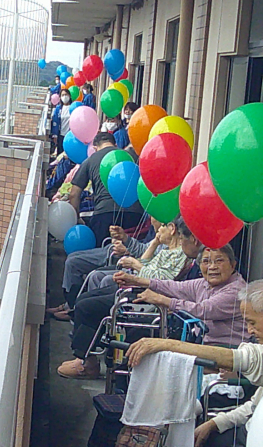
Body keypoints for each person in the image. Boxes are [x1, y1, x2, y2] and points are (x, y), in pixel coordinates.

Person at [57, 244, 245, 379]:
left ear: (233, 264)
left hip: (216, 350)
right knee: (119, 324)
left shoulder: (235, 290)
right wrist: (136, 280)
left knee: (136, 335)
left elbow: (203, 310)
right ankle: (94, 364)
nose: (212, 267)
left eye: (219, 261)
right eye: (206, 261)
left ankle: (119, 383)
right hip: (194, 339)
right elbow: (175, 286)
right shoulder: (205, 283)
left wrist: (161, 300)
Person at [125, 280, 263, 447]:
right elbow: (254, 405)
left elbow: (238, 358)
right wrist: (215, 423)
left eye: (252, 322)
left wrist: (166, 345)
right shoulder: (200, 285)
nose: (249, 330)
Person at [68, 132, 144, 246]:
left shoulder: (90, 160)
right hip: (134, 214)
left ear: (95, 148)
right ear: (115, 144)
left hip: (104, 214)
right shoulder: (130, 156)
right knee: (133, 250)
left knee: (102, 251)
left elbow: (74, 194)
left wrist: (77, 219)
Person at [51, 88, 73, 155]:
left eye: (66, 94)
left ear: (69, 96)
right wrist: (55, 135)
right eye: (62, 95)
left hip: (70, 136)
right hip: (61, 135)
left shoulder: (73, 107)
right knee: (60, 154)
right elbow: (55, 121)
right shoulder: (58, 108)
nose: (64, 97)